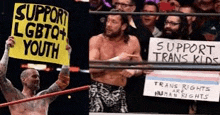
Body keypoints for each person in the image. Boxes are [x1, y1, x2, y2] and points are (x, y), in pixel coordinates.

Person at [0, 36, 71, 115]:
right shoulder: (14, 96)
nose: (37, 79)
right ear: (24, 79)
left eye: (38, 77)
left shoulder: (44, 97)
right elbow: (0, 77)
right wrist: (7, 50)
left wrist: (66, 56)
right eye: (34, 76)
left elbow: (63, 81)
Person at [89, 9, 143, 113]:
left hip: (120, 92)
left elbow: (140, 67)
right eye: (108, 20)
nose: (108, 25)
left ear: (123, 26)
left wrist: (133, 71)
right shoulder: (97, 40)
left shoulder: (133, 42)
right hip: (97, 90)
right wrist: (117, 60)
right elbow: (92, 67)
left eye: (114, 22)